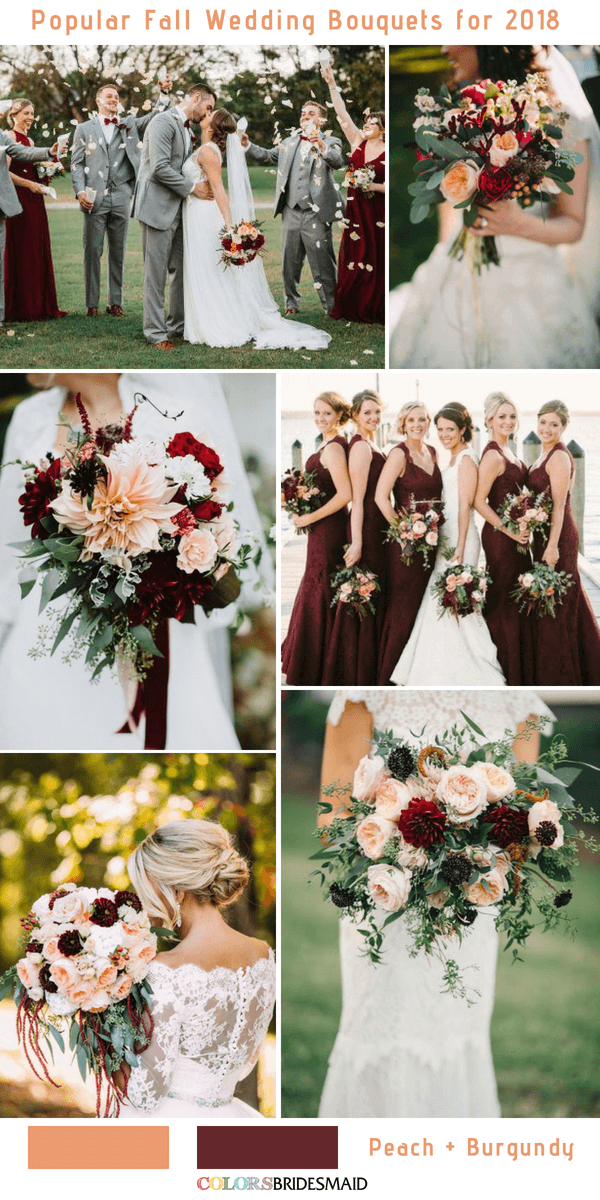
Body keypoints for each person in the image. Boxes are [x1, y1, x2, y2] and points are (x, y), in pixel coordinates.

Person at [0, 372, 271, 750]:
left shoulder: (174, 415)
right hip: (41, 640)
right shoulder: (31, 417)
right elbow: (8, 545)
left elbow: (220, 523)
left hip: (153, 637)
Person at [317, 688, 553, 1118]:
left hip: (473, 903)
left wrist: (467, 857)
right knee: (381, 1028)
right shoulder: (365, 693)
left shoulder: (519, 700)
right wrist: (410, 846)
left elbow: (523, 812)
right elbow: (330, 814)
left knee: (456, 1027)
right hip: (386, 898)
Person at [390, 45, 600, 368]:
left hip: (531, 279)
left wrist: (515, 223)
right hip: (459, 260)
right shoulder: (456, 108)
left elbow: (574, 224)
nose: (444, 47)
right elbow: (451, 198)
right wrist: (446, 251)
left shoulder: (561, 116)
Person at [122, 819, 275, 1117]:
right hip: (230, 1114)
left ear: (176, 889)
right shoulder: (263, 956)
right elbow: (245, 1062)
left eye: (148, 887)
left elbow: (146, 1093)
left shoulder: (165, 970)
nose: (144, 900)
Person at [182, 111, 330, 350]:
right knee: (205, 269)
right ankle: (203, 320)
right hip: (196, 213)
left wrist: (230, 227)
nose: (206, 114)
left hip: (205, 216)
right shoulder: (205, 147)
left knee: (209, 270)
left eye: (211, 114)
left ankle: (218, 322)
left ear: (214, 125)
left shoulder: (209, 152)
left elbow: (219, 190)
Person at [392, 403, 505, 686]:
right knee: (439, 602)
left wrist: (461, 549)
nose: (444, 435)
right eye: (440, 429)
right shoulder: (451, 458)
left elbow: (466, 508)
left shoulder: (466, 459)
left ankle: (472, 666)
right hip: (445, 538)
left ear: (463, 430)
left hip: (460, 540)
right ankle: (435, 667)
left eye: (450, 430)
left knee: (456, 602)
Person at [71, 77, 172, 318]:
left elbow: (155, 116)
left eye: (117, 97)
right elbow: (76, 164)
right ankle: (91, 303)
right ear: (98, 101)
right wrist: (81, 191)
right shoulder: (83, 129)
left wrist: (164, 93)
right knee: (92, 250)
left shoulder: (129, 124)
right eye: (109, 97)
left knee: (119, 250)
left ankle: (115, 302)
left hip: (122, 193)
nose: (114, 100)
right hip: (93, 196)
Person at [133, 82, 217, 350]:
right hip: (157, 207)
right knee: (155, 274)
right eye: (208, 107)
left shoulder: (186, 128)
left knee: (180, 269)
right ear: (195, 97)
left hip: (179, 208)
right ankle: (156, 334)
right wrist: (192, 188)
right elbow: (159, 168)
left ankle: (177, 326)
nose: (207, 114)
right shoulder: (162, 121)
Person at [524, 400, 600, 684]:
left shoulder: (558, 457)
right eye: (543, 422)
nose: (546, 428)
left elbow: (558, 506)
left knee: (559, 601)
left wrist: (552, 545)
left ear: (564, 427)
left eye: (554, 424)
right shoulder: (543, 453)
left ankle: (562, 674)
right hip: (544, 535)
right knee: (562, 598)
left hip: (558, 536)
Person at [243, 103, 344, 315]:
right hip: (291, 209)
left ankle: (332, 306)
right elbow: (268, 156)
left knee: (322, 260)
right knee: (289, 260)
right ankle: (291, 303)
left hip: (316, 211)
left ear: (322, 120)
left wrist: (322, 147)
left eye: (311, 114)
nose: (305, 117)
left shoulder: (331, 141)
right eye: (303, 113)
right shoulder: (289, 142)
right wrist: (247, 145)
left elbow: (337, 161)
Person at [281, 392, 351, 684]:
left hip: (329, 527)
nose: (320, 418)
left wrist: (310, 516)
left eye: (326, 413)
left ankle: (318, 660)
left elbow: (345, 494)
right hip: (321, 526)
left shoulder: (334, 448)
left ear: (338, 415)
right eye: (316, 413)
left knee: (321, 584)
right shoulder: (326, 442)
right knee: (316, 582)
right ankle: (313, 654)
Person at [375, 402, 443, 685]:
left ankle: (417, 673)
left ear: (428, 423)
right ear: (402, 423)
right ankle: (389, 677)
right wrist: (404, 532)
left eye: (422, 419)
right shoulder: (398, 455)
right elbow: (381, 498)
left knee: (424, 606)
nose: (417, 424)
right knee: (403, 607)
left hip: (433, 540)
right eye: (411, 420)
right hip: (405, 546)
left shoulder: (433, 452)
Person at [323, 390, 387, 684]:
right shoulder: (360, 447)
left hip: (378, 527)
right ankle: (357, 670)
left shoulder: (373, 442)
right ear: (356, 416)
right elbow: (357, 500)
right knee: (364, 595)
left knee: (373, 595)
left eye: (377, 412)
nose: (373, 417)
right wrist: (358, 542)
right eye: (367, 413)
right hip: (367, 527)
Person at [321, 62, 385, 324]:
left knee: (376, 254)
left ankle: (376, 306)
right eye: (367, 121)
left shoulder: (386, 152)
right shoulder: (357, 141)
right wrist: (331, 83)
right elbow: (342, 113)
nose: (367, 125)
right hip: (356, 210)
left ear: (383, 128)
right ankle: (352, 304)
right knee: (356, 253)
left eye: (374, 122)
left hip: (377, 210)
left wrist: (373, 186)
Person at [474, 393, 530, 684]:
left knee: (514, 597)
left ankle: (518, 663)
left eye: (511, 416)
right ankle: (503, 668)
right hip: (500, 538)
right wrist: (510, 530)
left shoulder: (510, 450)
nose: (507, 421)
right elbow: (479, 501)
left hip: (516, 537)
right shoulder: (494, 454)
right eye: (501, 417)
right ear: (489, 420)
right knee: (502, 600)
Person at [3, 98, 66, 323]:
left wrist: (48, 169)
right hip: (20, 199)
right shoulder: (9, 138)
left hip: (36, 198)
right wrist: (30, 184)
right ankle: (23, 307)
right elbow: (6, 173)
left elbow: (31, 163)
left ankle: (40, 304)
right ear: (14, 114)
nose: (30, 117)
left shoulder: (29, 140)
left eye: (32, 113)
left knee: (37, 247)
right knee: (24, 250)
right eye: (26, 113)